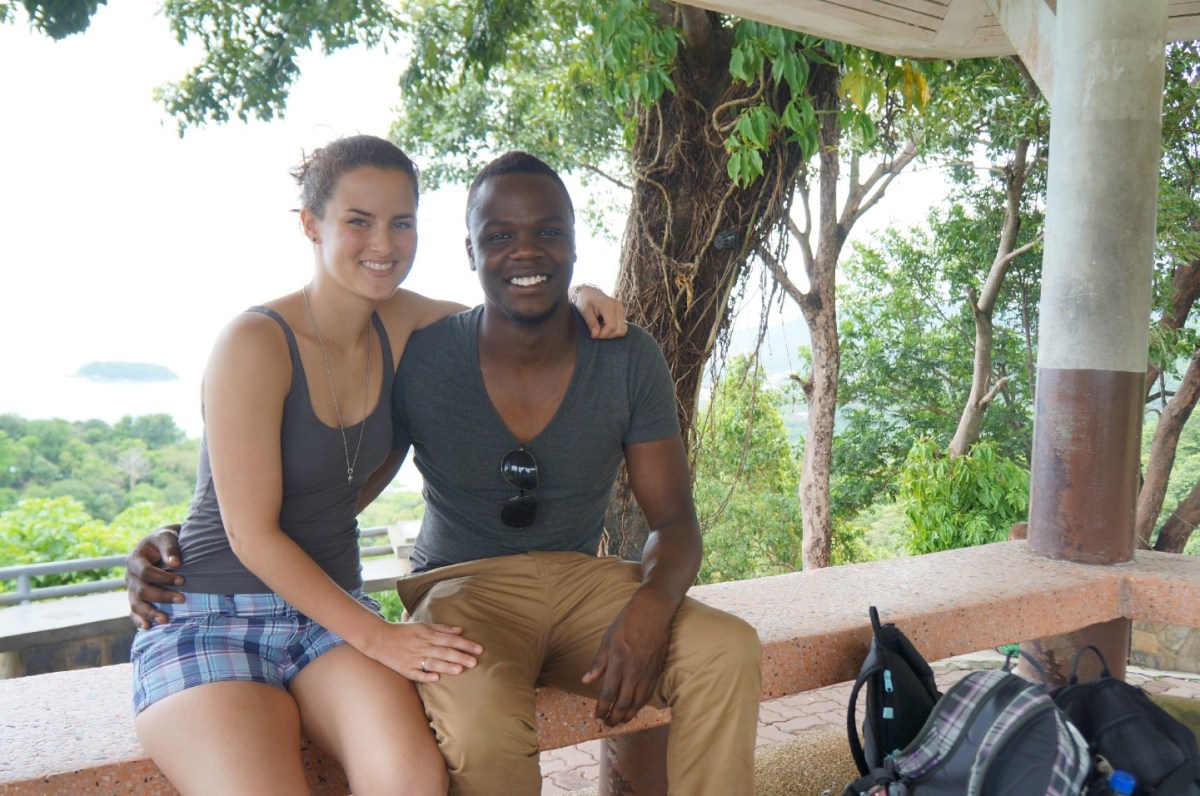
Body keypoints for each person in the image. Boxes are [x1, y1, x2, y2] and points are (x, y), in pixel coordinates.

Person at [129, 151, 761, 795]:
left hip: (331, 615)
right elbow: (249, 530)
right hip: (228, 607)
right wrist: (380, 637)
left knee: (412, 783)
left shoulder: (404, 323)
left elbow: (519, 302)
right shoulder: (264, 340)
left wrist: (581, 294)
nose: (383, 243)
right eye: (358, 220)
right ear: (311, 224)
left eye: (401, 222)